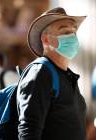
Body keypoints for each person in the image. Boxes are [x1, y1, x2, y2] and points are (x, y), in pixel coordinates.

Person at [17, 7, 87, 140]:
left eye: (74, 32)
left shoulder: (66, 74)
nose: (72, 36)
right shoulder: (40, 73)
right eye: (66, 31)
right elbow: (28, 131)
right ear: (46, 40)